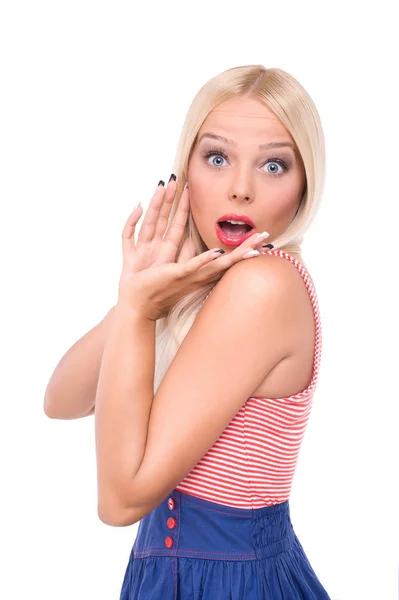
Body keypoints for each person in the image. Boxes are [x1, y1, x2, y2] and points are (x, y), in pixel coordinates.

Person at [44, 64, 331, 599]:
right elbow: (62, 398)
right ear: (185, 170)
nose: (240, 189)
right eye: (217, 158)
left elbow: (120, 499)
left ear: (304, 186)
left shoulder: (263, 285)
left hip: (232, 585)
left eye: (273, 165)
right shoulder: (210, 286)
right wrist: (139, 292)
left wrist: (139, 312)